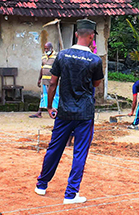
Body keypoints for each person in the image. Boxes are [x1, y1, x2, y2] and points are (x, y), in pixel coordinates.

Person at [34, 19, 104, 205]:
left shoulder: (62, 56)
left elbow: (53, 82)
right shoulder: (95, 60)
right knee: (80, 152)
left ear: (76, 34)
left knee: (54, 148)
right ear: (91, 36)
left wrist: (49, 106)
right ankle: (71, 194)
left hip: (64, 111)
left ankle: (41, 184)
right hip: (84, 112)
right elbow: (97, 83)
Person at [31, 42, 59, 118]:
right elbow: (42, 68)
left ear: (51, 48)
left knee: (55, 95)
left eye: (47, 48)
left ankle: (54, 112)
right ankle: (39, 112)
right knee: (44, 96)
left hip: (54, 81)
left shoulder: (56, 56)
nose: (46, 50)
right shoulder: (43, 56)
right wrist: (39, 79)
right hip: (44, 80)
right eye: (45, 48)